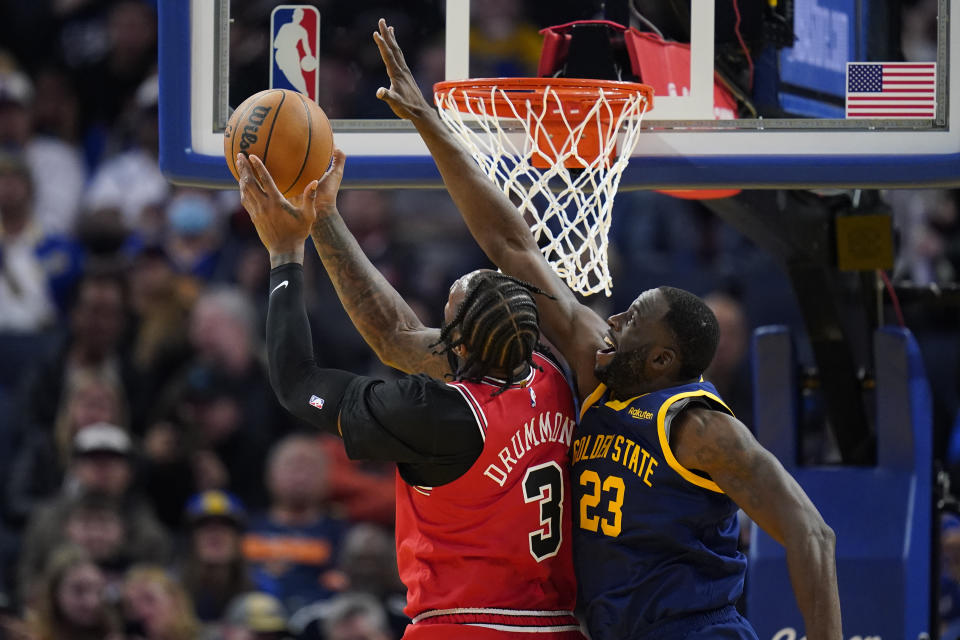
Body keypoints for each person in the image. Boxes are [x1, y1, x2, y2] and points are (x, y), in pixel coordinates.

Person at [369, 19, 842, 640]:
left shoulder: (698, 428)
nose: (612, 318)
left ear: (661, 360)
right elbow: (514, 246)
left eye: (632, 319)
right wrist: (431, 124)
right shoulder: (599, 365)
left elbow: (812, 531)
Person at [233, 148, 584, 637]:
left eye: (445, 312)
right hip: (556, 625)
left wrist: (285, 253)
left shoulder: (437, 415)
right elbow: (394, 335)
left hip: (462, 625)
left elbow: (297, 385)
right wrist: (325, 217)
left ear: (456, 343)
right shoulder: (554, 376)